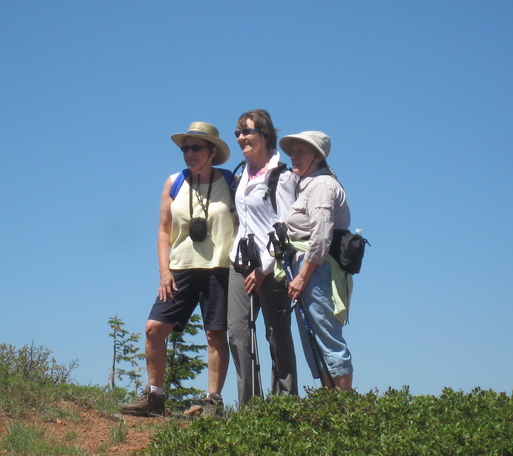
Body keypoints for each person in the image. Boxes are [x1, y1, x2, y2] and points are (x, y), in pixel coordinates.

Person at [121, 122, 236, 416]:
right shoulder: (174, 182)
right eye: (185, 147)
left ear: (212, 151)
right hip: (180, 268)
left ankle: (212, 401)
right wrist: (164, 271)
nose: (188, 153)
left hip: (220, 269)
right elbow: (163, 232)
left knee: (215, 335)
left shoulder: (231, 182)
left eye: (195, 147)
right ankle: (154, 396)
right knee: (154, 328)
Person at [227, 109, 299, 405]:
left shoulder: (281, 177)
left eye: (247, 131)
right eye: (238, 132)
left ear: (266, 135)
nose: (242, 137)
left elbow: (287, 228)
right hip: (240, 263)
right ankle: (249, 410)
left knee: (276, 334)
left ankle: (285, 406)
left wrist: (265, 268)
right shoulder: (239, 174)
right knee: (238, 334)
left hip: (272, 266)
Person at [278, 130, 354, 390]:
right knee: (315, 338)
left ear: (318, 157)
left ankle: (343, 409)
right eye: (293, 151)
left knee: (326, 337)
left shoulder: (321, 186)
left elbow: (320, 237)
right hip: (311, 268)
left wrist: (302, 276)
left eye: (302, 151)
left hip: (316, 270)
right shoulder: (310, 185)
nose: (294, 156)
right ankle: (331, 406)